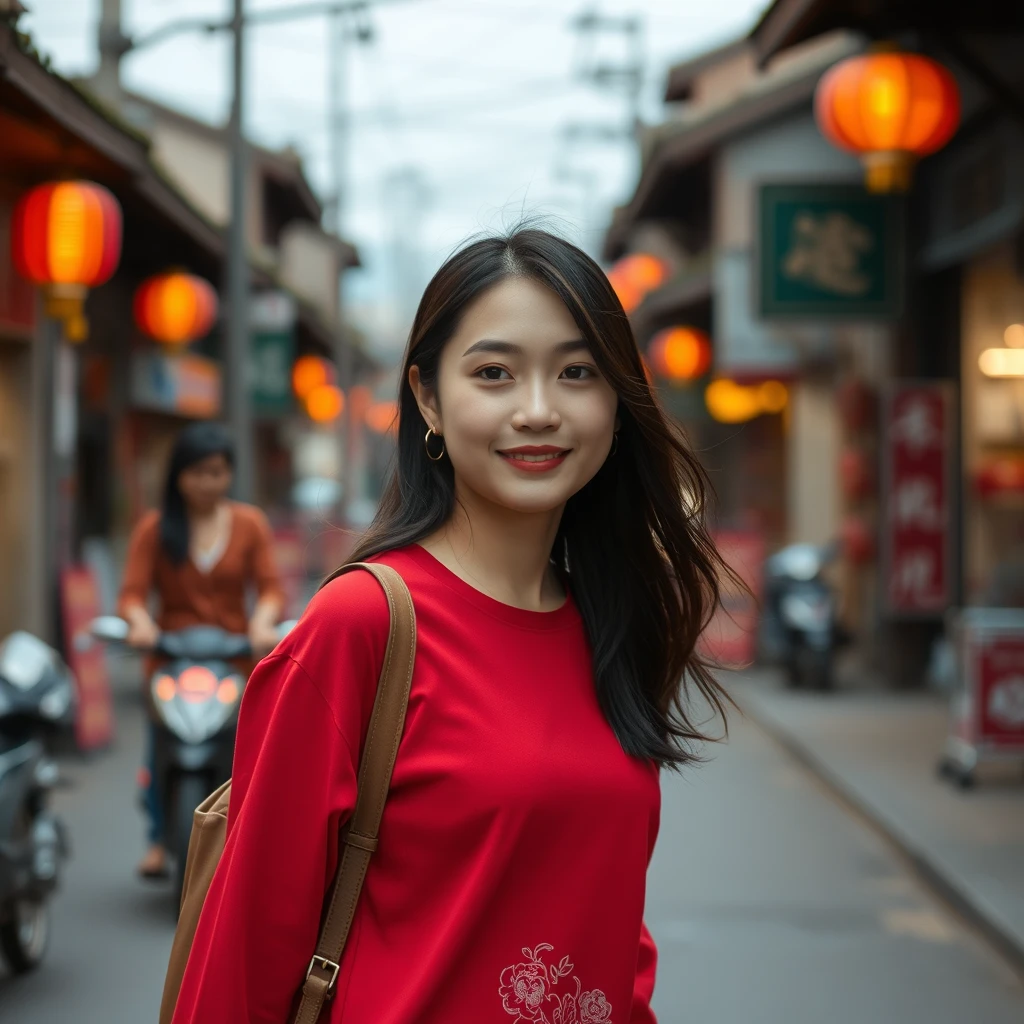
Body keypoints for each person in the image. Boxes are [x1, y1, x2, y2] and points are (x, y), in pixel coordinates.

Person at [172, 229, 734, 1023]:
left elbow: (609, 926)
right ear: (429, 398)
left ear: (616, 401)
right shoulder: (362, 624)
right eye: (494, 373)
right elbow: (243, 957)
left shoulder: (611, 622)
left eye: (576, 372)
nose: (538, 410)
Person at [117, 422, 283, 879]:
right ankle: (156, 836)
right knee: (160, 744)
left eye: (217, 472)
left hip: (233, 659)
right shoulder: (154, 528)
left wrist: (264, 621)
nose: (208, 482)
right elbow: (132, 594)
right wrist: (140, 622)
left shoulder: (250, 523)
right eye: (198, 473)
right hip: (171, 660)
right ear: (178, 476)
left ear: (230, 473)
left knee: (244, 749)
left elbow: (269, 589)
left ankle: (244, 832)